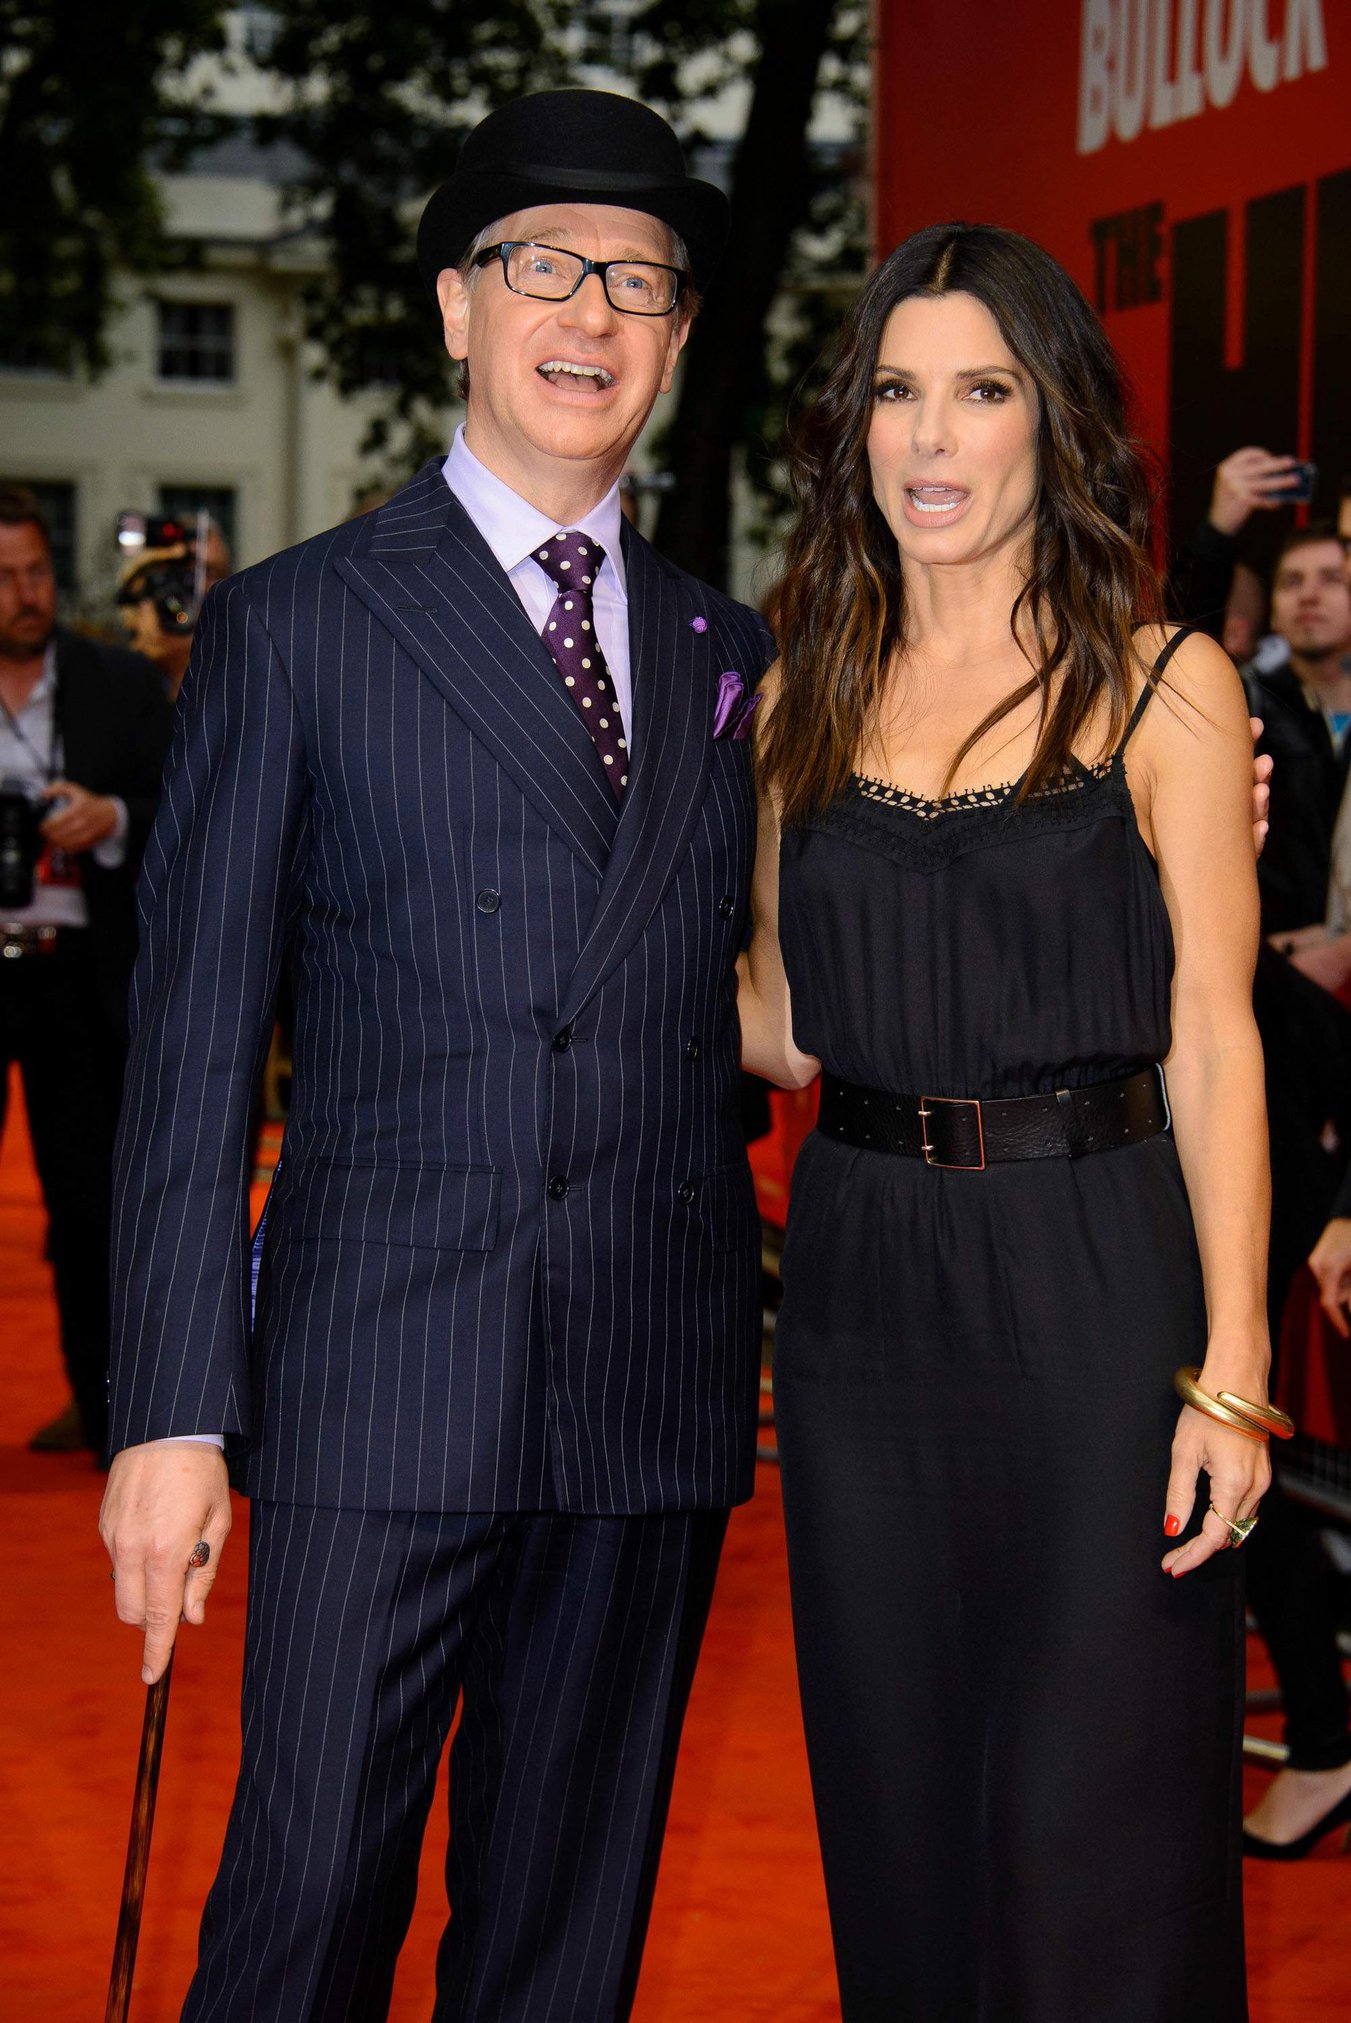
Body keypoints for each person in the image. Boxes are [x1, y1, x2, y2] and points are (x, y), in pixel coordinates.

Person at [98, 89, 773, 2021]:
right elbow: (192, 1044)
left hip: (644, 1385)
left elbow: (796, 981)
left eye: (641, 278)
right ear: (459, 310)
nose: (594, 309)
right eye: (545, 264)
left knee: (564, 1938)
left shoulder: (731, 648)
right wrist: (167, 1406)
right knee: (306, 1906)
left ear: (680, 336)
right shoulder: (302, 625)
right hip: (377, 1380)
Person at [739, 224, 1274, 2019]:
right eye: (898, 391)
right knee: (899, 1818)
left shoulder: (1166, 682)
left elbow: (1211, 1035)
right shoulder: (799, 694)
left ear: (1054, 424)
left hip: (1095, 1297)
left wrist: (1234, 1363)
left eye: (982, 391)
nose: (934, 439)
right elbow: (781, 1028)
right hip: (863, 1303)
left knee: (1094, 1827)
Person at [0, 485, 173, 1461]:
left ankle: (107, 1412)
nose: (27, 593)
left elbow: (182, 806)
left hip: (82, 974)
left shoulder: (115, 681)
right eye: (6, 578)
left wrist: (109, 818)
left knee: (90, 1206)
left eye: (37, 572)